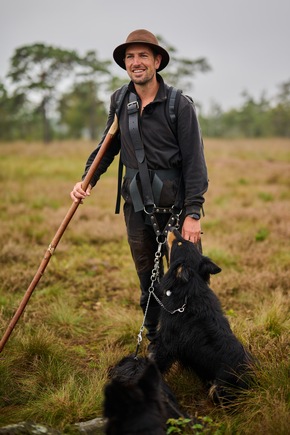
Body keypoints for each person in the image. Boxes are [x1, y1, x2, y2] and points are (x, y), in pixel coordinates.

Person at [70, 29, 208, 345]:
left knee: (187, 280)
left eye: (143, 55)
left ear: (157, 61)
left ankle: (197, 344)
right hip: (136, 205)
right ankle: (156, 341)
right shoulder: (120, 100)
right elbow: (108, 146)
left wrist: (194, 213)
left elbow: (195, 163)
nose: (136, 62)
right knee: (148, 279)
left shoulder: (179, 105)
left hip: (177, 207)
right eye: (130, 57)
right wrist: (85, 180)